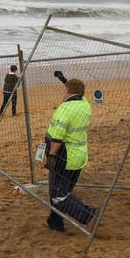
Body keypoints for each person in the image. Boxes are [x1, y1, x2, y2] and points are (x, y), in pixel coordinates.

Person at [45, 78, 99, 231]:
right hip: (79, 156)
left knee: (58, 195)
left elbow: (58, 137)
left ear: (68, 91)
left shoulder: (65, 109)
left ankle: (88, 215)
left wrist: (51, 156)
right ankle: (55, 222)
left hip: (64, 156)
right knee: (62, 191)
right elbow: (77, 92)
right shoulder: (85, 104)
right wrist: (64, 79)